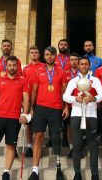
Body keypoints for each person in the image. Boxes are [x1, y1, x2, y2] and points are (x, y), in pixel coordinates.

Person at [27, 46, 69, 180]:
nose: (49, 57)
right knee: (38, 137)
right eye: (47, 55)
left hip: (56, 108)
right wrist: (31, 107)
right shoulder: (38, 71)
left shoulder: (61, 71)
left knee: (56, 137)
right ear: (44, 57)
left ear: (55, 56)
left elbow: (65, 91)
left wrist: (66, 106)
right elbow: (34, 90)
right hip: (40, 108)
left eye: (52, 55)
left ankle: (58, 167)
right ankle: (35, 170)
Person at [0, 55, 30, 180]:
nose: (12, 67)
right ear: (6, 66)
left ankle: (6, 171)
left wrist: (24, 114)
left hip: (14, 118)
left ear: (17, 66)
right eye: (10, 65)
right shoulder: (0, 80)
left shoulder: (23, 80)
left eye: (14, 65)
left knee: (11, 145)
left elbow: (26, 98)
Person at [63, 56, 102, 180]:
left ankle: (94, 174)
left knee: (93, 146)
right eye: (82, 64)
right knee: (77, 145)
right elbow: (65, 96)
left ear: (89, 65)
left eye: (86, 64)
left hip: (91, 115)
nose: (84, 66)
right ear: (78, 66)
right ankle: (77, 173)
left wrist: (94, 98)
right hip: (76, 115)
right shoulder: (73, 81)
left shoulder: (95, 80)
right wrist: (74, 99)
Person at [0, 39, 22, 158]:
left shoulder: (16, 61)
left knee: (12, 125)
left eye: (8, 46)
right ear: (1, 47)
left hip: (11, 90)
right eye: (4, 46)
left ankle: (14, 148)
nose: (6, 47)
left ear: (11, 48)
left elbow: (19, 74)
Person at [22, 45, 44, 157]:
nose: (34, 54)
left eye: (36, 52)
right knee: (29, 124)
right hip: (29, 99)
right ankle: (30, 146)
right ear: (29, 54)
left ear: (39, 54)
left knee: (38, 125)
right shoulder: (25, 69)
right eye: (32, 52)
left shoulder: (44, 67)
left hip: (41, 100)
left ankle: (37, 145)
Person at [64, 52, 80, 158]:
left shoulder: (83, 73)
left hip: (80, 106)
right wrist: (65, 106)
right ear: (69, 62)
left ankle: (78, 148)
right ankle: (71, 148)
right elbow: (64, 90)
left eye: (75, 59)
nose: (73, 61)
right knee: (69, 127)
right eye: (72, 60)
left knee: (80, 127)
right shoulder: (64, 73)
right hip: (69, 105)